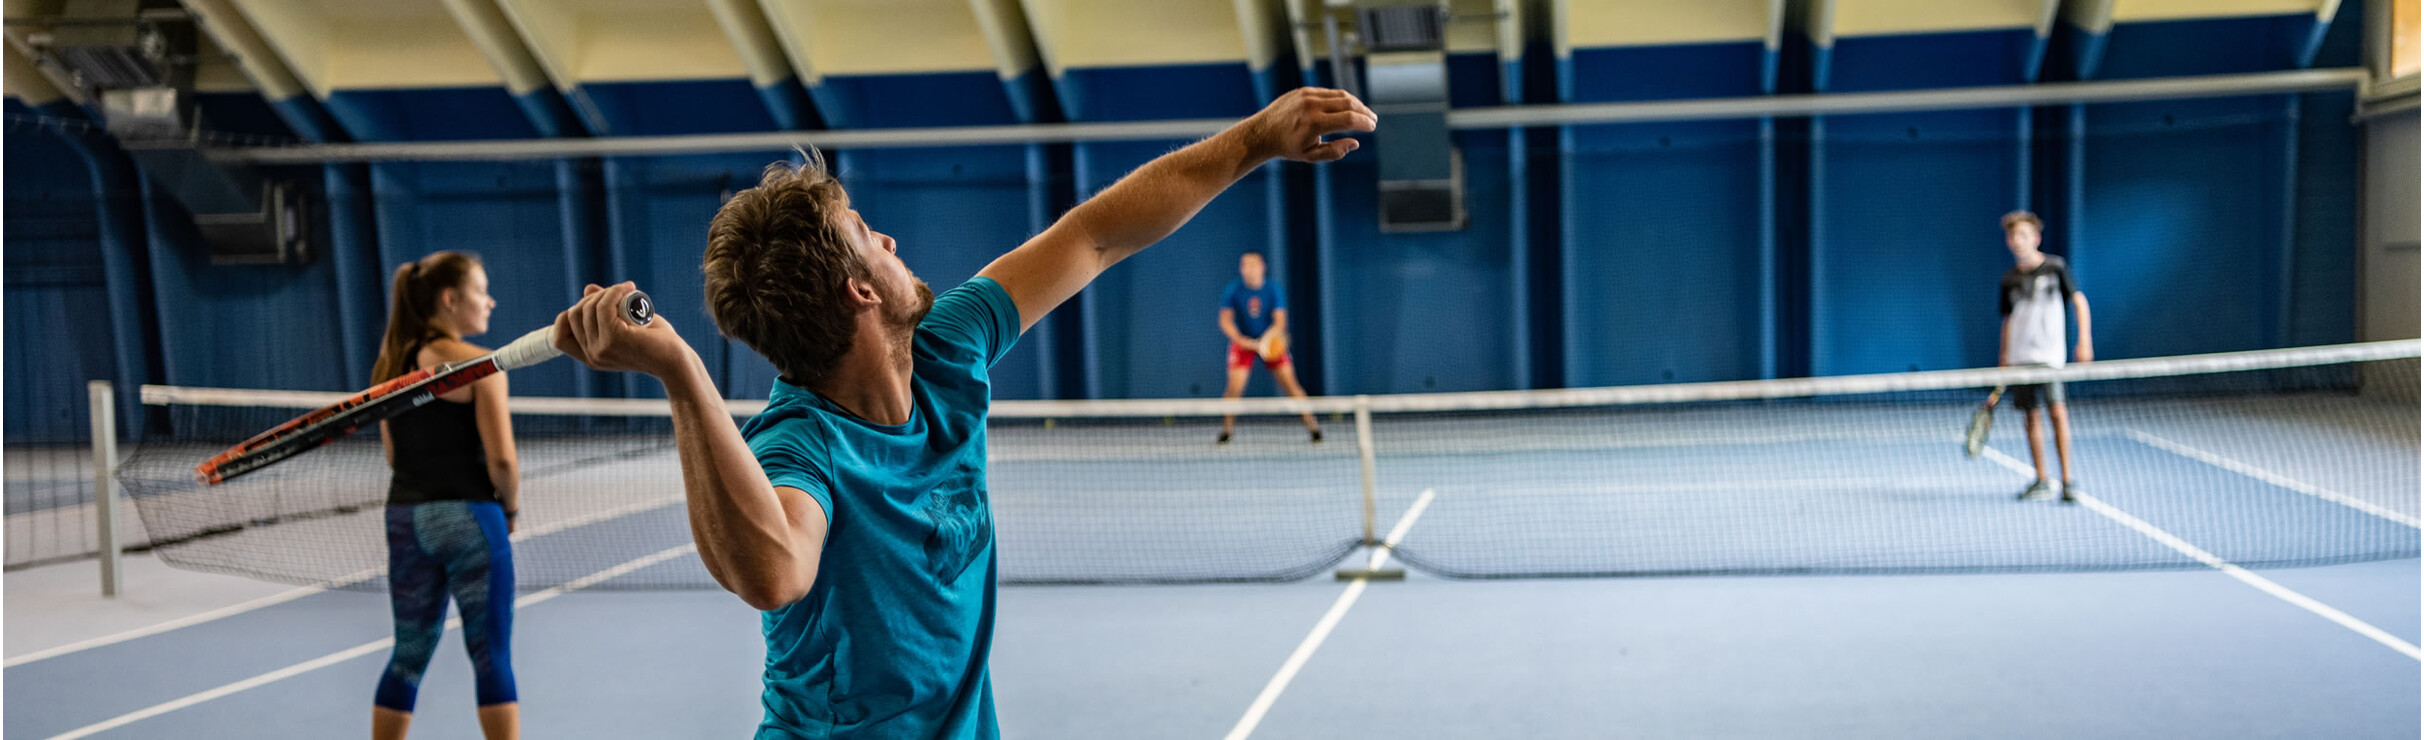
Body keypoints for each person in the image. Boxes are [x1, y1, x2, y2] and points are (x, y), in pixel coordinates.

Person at [548, 87, 1376, 738]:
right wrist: (684, 376)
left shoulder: (948, 344)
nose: (894, 243)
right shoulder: (802, 444)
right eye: (870, 234)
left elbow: (1096, 235)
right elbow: (775, 573)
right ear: (861, 289)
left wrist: (1256, 138)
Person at [369, 251, 522, 739]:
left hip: (405, 519)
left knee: (408, 656)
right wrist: (511, 509)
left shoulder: (388, 368)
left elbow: (394, 458)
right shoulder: (481, 367)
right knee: (491, 658)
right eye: (481, 290)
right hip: (470, 519)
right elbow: (502, 462)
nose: (490, 301)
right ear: (450, 299)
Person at [1996, 211, 2093, 503]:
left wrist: (2084, 340)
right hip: (2020, 357)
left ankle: (2067, 481)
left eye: (2023, 235)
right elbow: (2008, 319)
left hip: (2050, 356)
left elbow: (2079, 300)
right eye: (2013, 236)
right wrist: (2003, 356)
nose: (2017, 241)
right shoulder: (2009, 279)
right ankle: (2041, 478)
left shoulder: (2055, 267)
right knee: (2030, 416)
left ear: (2036, 238)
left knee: (2057, 412)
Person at [1216, 250, 1322, 443]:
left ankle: (1313, 427)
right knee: (1233, 390)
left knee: (1291, 386)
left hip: (1271, 342)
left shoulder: (1274, 289)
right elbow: (1225, 321)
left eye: (1252, 265)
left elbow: (1280, 322)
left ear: (1262, 267)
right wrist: (1241, 340)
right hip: (1244, 343)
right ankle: (1226, 432)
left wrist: (1265, 342)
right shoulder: (1233, 290)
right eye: (1244, 266)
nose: (1248, 270)